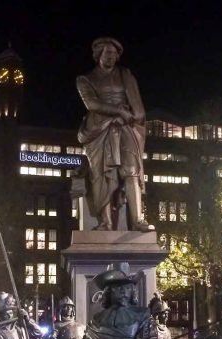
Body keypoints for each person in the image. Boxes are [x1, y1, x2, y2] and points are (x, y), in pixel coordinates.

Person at [76, 37, 154, 232]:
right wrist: (118, 111)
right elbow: (92, 104)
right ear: (98, 55)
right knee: (101, 174)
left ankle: (137, 220)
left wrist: (128, 116)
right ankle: (105, 223)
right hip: (99, 130)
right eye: (107, 53)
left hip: (125, 126)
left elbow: (138, 106)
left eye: (114, 53)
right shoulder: (85, 79)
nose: (111, 57)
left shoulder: (125, 74)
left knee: (131, 169)